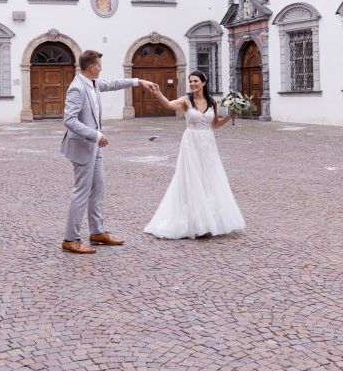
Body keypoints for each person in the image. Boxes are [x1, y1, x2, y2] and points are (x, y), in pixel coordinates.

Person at [60, 50, 158, 254]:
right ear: (91, 67)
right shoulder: (77, 88)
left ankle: (97, 232)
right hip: (82, 146)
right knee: (81, 192)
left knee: (98, 188)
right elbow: (69, 120)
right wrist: (95, 135)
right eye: (99, 65)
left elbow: (114, 84)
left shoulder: (93, 84)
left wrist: (139, 81)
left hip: (93, 147)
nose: (101, 68)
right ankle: (70, 239)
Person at [144, 70, 246, 239]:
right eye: (190, 81)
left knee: (209, 177)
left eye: (195, 81)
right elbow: (169, 105)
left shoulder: (212, 102)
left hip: (208, 144)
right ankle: (194, 221)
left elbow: (214, 124)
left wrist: (229, 116)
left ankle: (210, 220)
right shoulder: (186, 101)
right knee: (192, 177)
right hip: (191, 143)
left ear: (204, 82)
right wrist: (159, 94)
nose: (192, 84)